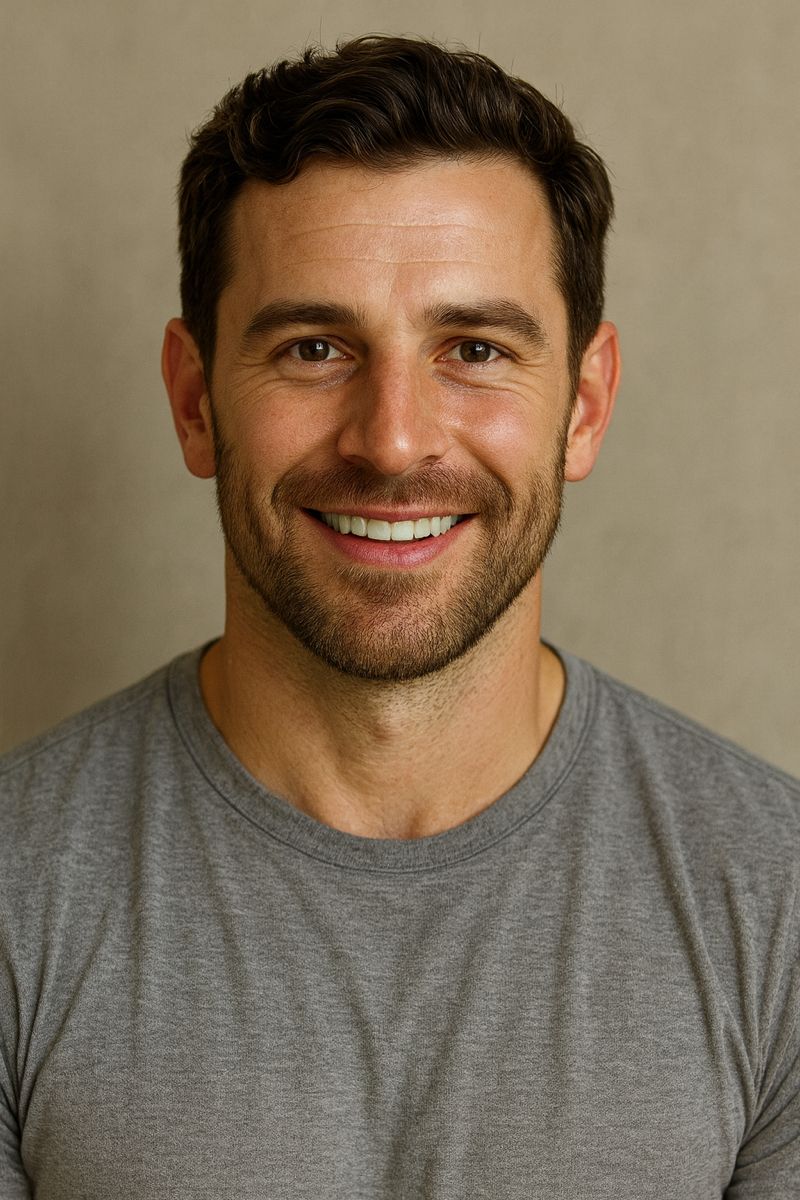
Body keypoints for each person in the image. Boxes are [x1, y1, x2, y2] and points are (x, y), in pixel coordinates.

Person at [1, 35, 798, 1199]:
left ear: (581, 406)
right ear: (194, 401)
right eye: (313, 348)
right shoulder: (16, 893)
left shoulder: (777, 903)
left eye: (473, 349)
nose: (391, 438)